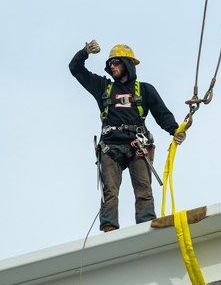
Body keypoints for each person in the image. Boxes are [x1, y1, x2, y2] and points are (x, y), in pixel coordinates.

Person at [70, 41, 186, 232]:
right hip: (110, 148)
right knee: (110, 193)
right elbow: (75, 69)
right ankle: (109, 230)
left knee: (144, 191)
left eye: (116, 62)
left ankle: (147, 227)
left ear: (128, 63)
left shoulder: (144, 90)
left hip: (137, 146)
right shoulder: (103, 87)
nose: (111, 67)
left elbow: (162, 114)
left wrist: (175, 130)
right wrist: (84, 52)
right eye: (110, 64)